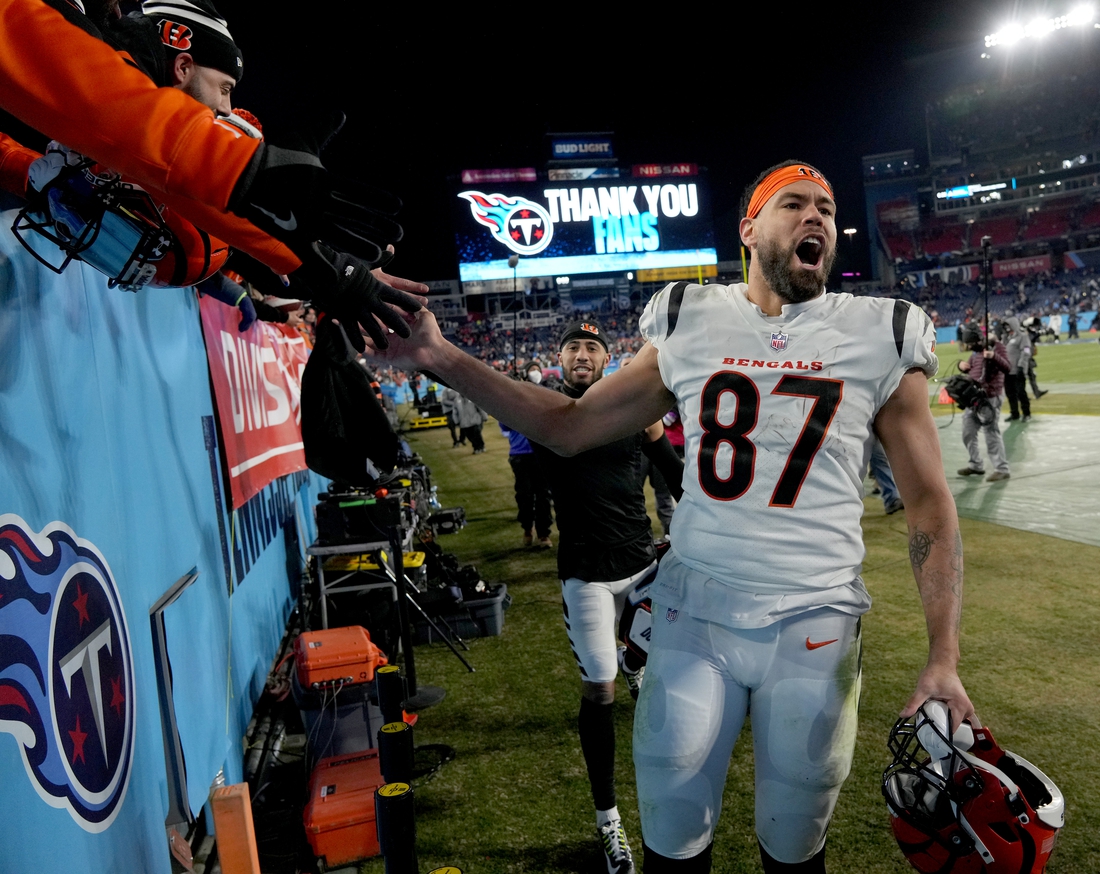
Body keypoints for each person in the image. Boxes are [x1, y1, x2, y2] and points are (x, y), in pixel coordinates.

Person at [366, 159, 974, 873]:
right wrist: (438, 356)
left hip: (817, 621)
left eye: (827, 208)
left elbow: (929, 503)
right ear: (750, 228)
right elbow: (567, 425)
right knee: (674, 841)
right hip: (695, 617)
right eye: (796, 204)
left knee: (794, 844)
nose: (818, 218)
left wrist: (944, 656)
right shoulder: (693, 317)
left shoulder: (881, 329)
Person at [0, 0, 422, 348]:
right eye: (224, 87)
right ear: (182, 67)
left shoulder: (113, 86)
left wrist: (315, 263)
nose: (225, 108)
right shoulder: (93, 61)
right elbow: (119, 116)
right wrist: (242, 172)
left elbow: (166, 167)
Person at [525, 319, 683, 874]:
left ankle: (635, 664)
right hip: (587, 576)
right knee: (600, 689)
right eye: (574, 348)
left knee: (665, 680)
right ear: (560, 360)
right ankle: (608, 820)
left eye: (593, 347)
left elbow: (680, 480)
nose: (583, 355)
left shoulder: (635, 414)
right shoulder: (546, 414)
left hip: (642, 569)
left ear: (608, 358)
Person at [958, 324, 1011, 482]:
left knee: (991, 431)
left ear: (977, 339)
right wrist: (961, 366)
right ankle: (975, 464)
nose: (969, 347)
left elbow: (1008, 367)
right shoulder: (975, 352)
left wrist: (993, 356)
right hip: (974, 397)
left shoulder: (997, 347)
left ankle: (1001, 468)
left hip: (990, 397)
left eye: (971, 343)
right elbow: (973, 369)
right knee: (967, 430)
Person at [498, 420, 553, 548]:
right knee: (524, 495)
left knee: (543, 495)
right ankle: (527, 528)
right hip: (520, 454)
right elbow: (504, 426)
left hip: (541, 452)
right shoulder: (511, 403)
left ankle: (543, 534)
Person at [1000, 317, 1031, 423]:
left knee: (1021, 392)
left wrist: (1021, 365)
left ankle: (1026, 413)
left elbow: (1026, 350)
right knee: (1010, 393)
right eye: (1005, 326)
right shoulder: (1005, 338)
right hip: (1007, 370)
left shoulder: (1022, 336)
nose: (1007, 328)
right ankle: (1014, 413)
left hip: (1018, 369)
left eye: (1008, 325)